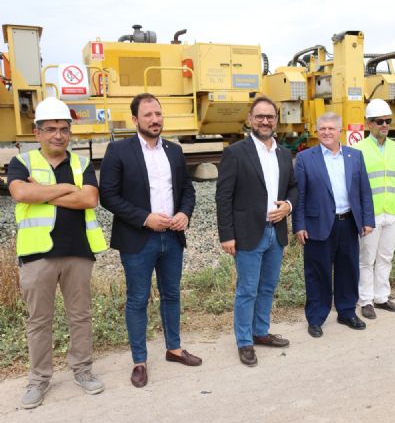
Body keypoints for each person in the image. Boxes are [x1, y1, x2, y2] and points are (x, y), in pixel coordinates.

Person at [8, 97, 107, 409]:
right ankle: (38, 379)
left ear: (70, 132)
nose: (58, 135)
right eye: (50, 129)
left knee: (80, 316)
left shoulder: (80, 164)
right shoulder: (22, 163)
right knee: (39, 320)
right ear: (37, 133)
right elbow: (22, 192)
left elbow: (90, 199)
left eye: (64, 129)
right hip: (37, 255)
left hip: (78, 250)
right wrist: (67, 190)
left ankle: (83, 370)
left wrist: (45, 193)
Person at [99, 93, 200, 388]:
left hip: (172, 237)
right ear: (135, 120)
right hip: (137, 239)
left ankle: (174, 348)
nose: (155, 119)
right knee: (137, 300)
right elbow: (108, 196)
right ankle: (139, 361)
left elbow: (188, 190)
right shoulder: (119, 150)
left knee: (172, 294)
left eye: (158, 113)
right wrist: (145, 218)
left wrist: (184, 213)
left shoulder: (174, 150)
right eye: (148, 115)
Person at [215, 96, 298, 367]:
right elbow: (223, 197)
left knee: (268, 287)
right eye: (260, 116)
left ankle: (260, 332)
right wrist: (227, 235)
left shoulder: (284, 153)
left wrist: (288, 205)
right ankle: (244, 341)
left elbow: (294, 187)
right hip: (248, 232)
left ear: (276, 120)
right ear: (250, 119)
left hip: (276, 232)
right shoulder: (236, 152)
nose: (265, 121)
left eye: (270, 117)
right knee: (247, 290)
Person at [293, 112, 375, 338]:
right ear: (317, 131)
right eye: (322, 129)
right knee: (317, 273)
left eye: (331, 129)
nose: (326, 132)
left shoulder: (354, 156)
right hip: (317, 225)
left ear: (340, 131)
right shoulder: (305, 159)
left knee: (348, 270)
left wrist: (367, 219)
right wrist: (299, 225)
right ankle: (316, 317)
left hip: (348, 223)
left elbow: (364, 191)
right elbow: (299, 195)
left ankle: (347, 311)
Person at [352, 99, 395, 319]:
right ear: (368, 124)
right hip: (370, 214)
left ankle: (381, 297)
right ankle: (365, 300)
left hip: (392, 211)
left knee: (386, 257)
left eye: (387, 121)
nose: (384, 125)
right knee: (366, 259)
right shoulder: (357, 150)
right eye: (379, 121)